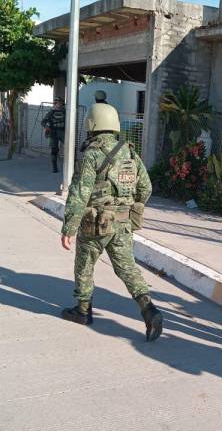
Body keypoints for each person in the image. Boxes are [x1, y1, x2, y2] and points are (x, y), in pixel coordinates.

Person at [59, 102, 162, 342]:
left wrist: (69, 227)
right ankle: (149, 309)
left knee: (84, 264)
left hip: (95, 224)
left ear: (92, 124)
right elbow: (145, 187)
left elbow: (79, 193)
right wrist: (127, 205)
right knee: (127, 268)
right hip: (123, 223)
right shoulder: (130, 152)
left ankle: (83, 311)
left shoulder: (92, 154)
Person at [41, 97, 66, 173]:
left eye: (61, 103)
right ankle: (54, 167)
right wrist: (47, 127)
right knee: (54, 150)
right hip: (54, 132)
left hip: (63, 131)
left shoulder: (65, 111)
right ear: (56, 103)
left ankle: (72, 165)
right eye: (58, 102)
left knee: (70, 147)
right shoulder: (51, 112)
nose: (60, 104)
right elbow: (43, 122)